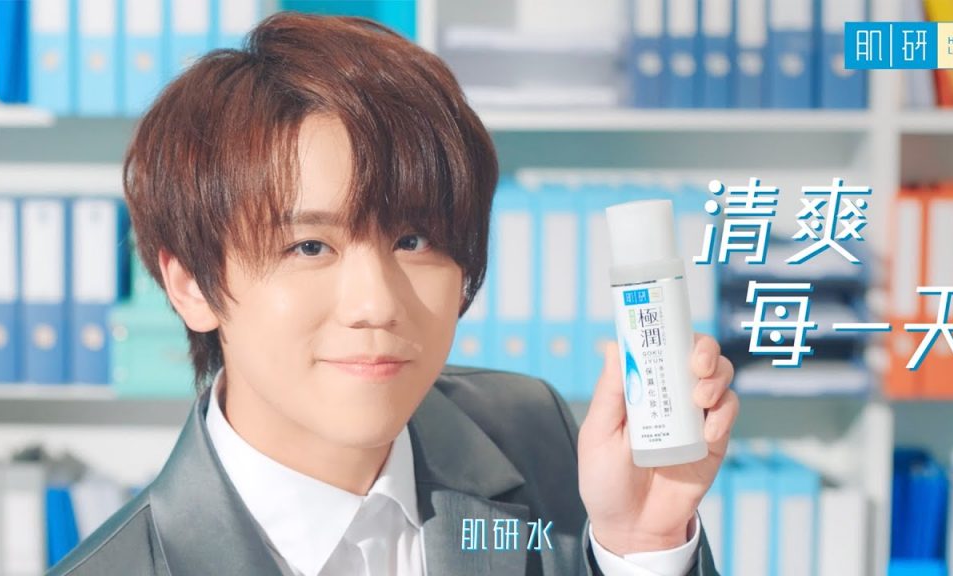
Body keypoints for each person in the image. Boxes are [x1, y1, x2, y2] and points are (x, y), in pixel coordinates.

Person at [48, 12, 738, 576]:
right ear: (191, 284)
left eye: (413, 239)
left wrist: (643, 547)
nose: (376, 304)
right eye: (309, 247)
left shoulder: (534, 435)